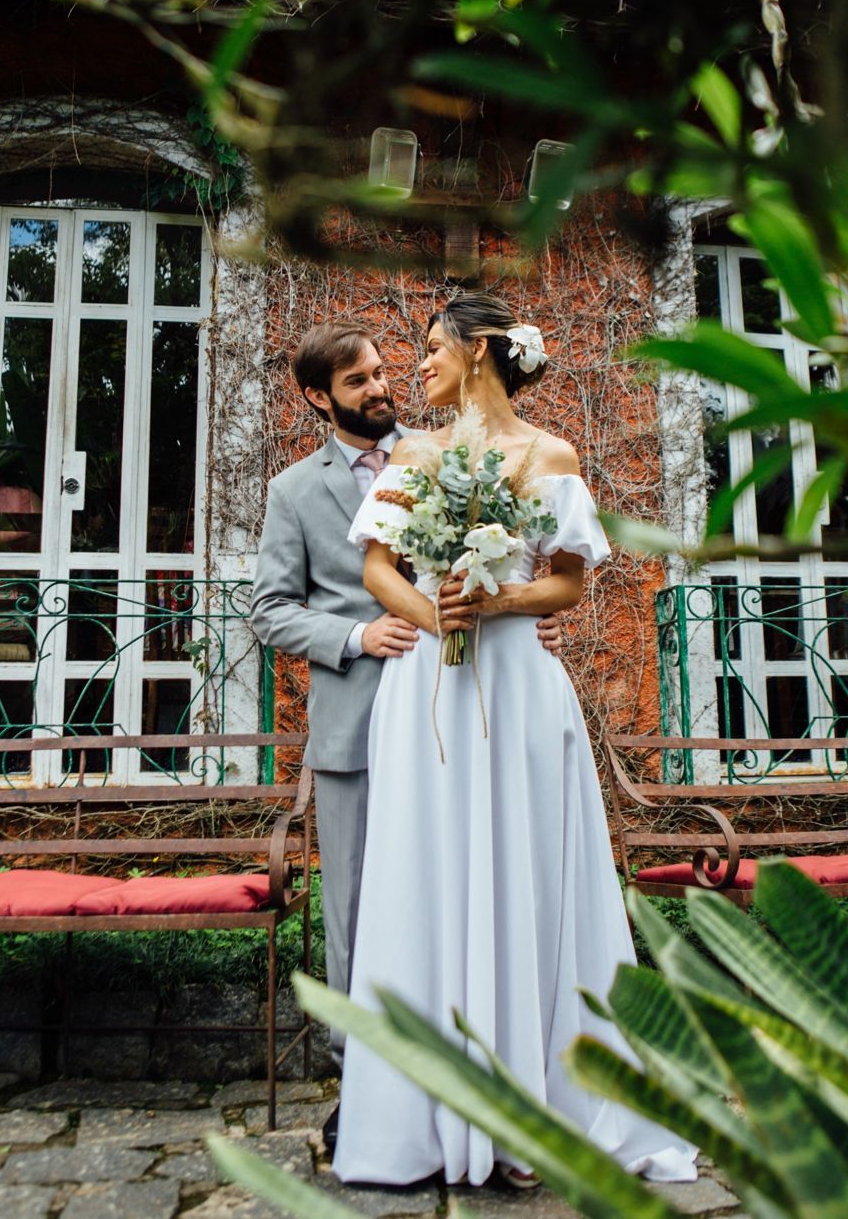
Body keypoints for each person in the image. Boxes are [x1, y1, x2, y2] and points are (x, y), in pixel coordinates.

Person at [332, 292, 697, 1188]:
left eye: (429, 349)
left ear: (481, 350)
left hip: (519, 689)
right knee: (426, 878)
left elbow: (568, 584)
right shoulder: (414, 453)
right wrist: (435, 611)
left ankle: (531, 1112)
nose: (416, 367)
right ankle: (424, 1122)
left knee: (524, 879)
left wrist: (492, 600)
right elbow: (378, 563)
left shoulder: (551, 455)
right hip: (427, 691)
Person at [250, 320, 563, 1150]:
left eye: (383, 372)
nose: (381, 387)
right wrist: (358, 638)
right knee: (362, 910)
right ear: (319, 397)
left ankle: (472, 1081)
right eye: (357, 382)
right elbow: (269, 611)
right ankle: (369, 1093)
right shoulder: (294, 491)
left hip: (461, 713)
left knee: (460, 893)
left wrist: (494, 605)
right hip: (359, 724)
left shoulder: (449, 447)